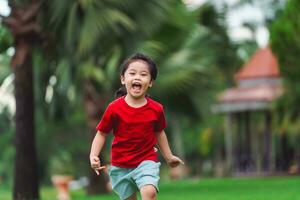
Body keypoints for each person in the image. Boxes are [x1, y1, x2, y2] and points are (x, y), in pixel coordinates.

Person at [89, 53, 184, 200]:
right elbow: (101, 133)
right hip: (121, 165)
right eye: (132, 73)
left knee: (149, 192)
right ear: (123, 79)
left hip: (146, 161)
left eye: (143, 74)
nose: (137, 77)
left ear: (151, 82)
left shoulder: (156, 109)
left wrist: (169, 156)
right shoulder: (114, 108)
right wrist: (93, 155)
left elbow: (160, 132)